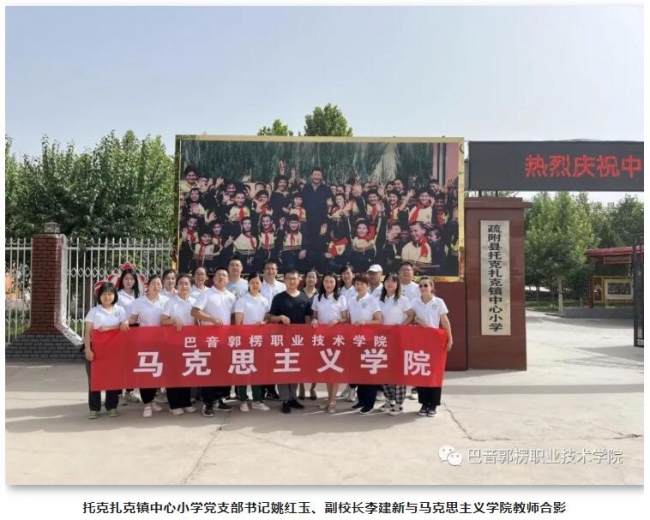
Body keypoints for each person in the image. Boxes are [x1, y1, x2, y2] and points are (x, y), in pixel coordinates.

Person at [191, 267, 237, 416]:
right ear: (213, 278)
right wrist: (211, 319)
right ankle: (208, 403)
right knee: (209, 372)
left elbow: (233, 317)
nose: (221, 277)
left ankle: (219, 400)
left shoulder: (231, 296)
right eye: (218, 275)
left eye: (224, 275)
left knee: (223, 371)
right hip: (209, 340)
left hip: (226, 340)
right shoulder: (206, 294)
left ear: (228, 279)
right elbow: (194, 311)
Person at [266, 270, 313, 414]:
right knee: (283, 368)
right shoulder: (279, 298)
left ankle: (293, 397)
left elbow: (308, 318)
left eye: (294, 279)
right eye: (289, 279)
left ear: (299, 280)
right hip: (282, 340)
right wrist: (280, 318)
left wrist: (308, 335)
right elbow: (270, 317)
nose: (292, 281)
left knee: (295, 368)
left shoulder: (304, 298)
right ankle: (285, 399)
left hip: (298, 341)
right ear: (284, 280)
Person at [83, 282, 129, 419]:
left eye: (110, 294)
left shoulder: (120, 310)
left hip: (114, 351)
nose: (107, 297)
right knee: (94, 379)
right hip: (96, 350)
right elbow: (87, 332)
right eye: (104, 294)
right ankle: (94, 408)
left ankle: (112, 406)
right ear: (99, 296)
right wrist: (88, 349)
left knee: (112, 378)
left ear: (114, 296)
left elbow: (124, 327)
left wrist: (110, 328)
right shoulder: (94, 311)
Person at [411, 277, 453, 417]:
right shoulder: (415, 302)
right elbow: (410, 317)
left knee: (434, 372)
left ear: (431, 287)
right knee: (421, 371)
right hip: (420, 341)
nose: (423, 288)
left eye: (425, 285)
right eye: (420, 286)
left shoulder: (438, 302)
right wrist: (417, 320)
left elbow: (445, 321)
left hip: (435, 340)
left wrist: (450, 338)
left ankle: (433, 404)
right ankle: (424, 403)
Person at [128, 274, 169, 418]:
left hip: (162, 342)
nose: (156, 287)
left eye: (159, 284)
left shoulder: (166, 301)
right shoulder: (139, 302)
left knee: (157, 372)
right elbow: (133, 318)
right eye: (153, 284)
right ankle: (147, 404)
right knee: (146, 372)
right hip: (144, 343)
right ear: (148, 286)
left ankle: (152, 400)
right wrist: (125, 321)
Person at [376, 273, 415, 416]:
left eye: (393, 281)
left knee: (398, 370)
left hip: (398, 339)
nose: (390, 283)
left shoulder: (402, 300)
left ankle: (399, 403)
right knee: (384, 370)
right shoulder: (379, 300)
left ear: (397, 284)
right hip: (382, 339)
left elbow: (411, 315)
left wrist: (401, 327)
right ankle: (389, 399)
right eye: (387, 281)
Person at [161, 274, 199, 416]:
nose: (184, 286)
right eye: (181, 283)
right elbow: (163, 321)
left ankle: (186, 402)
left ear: (190, 286)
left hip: (190, 343)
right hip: (173, 343)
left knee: (186, 371)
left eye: (187, 283)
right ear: (176, 286)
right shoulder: (171, 302)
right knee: (174, 373)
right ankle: (174, 404)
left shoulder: (194, 302)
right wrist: (174, 320)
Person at [311, 272, 349, 413]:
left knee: (335, 368)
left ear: (336, 283)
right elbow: (314, 316)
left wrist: (338, 320)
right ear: (322, 283)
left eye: (332, 282)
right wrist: (314, 319)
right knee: (327, 368)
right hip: (322, 338)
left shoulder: (341, 298)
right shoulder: (317, 298)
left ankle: (333, 401)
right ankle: (329, 397)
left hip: (336, 338)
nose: (329, 284)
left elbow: (346, 318)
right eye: (326, 281)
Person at [233, 272, 271, 412]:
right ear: (248, 284)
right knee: (244, 370)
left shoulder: (264, 300)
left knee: (257, 371)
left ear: (261, 284)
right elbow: (238, 323)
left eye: (257, 283)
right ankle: (243, 400)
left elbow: (268, 318)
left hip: (259, 341)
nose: (255, 285)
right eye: (252, 282)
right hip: (244, 340)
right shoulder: (242, 300)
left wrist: (264, 322)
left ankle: (256, 400)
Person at [347, 273, 382, 415]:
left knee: (369, 372)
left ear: (368, 285)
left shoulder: (372, 300)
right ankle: (361, 400)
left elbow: (379, 320)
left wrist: (364, 322)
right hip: (355, 340)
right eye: (357, 284)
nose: (359, 286)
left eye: (362, 284)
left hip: (369, 340)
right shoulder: (351, 300)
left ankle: (369, 403)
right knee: (358, 371)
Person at [114, 265, 144, 405]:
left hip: (136, 330)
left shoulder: (139, 295)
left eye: (132, 279)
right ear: (122, 280)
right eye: (126, 278)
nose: (129, 281)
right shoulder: (117, 295)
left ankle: (129, 391)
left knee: (133, 362)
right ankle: (118, 393)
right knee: (121, 363)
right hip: (121, 330)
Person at [259, 260, 285, 401]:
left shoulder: (282, 286)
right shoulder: (258, 285)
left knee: (274, 359)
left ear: (277, 271)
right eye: (267, 268)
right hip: (260, 327)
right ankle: (260, 390)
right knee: (261, 359)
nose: (270, 271)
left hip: (277, 327)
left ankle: (271, 389)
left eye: (273, 269)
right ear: (263, 270)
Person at [298, 269, 319, 401]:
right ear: (304, 279)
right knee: (301, 360)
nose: (311, 279)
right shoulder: (299, 293)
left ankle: (313, 388)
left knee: (315, 361)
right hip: (301, 332)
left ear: (317, 280)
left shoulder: (320, 294)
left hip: (317, 333)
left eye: (313, 277)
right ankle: (301, 386)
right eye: (309, 277)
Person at [338, 265, 357, 402]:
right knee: (344, 360)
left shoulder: (357, 289)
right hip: (340, 330)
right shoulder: (339, 290)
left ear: (353, 275)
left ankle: (353, 388)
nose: (346, 276)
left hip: (354, 329)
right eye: (343, 273)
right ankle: (348, 385)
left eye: (348, 273)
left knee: (353, 359)